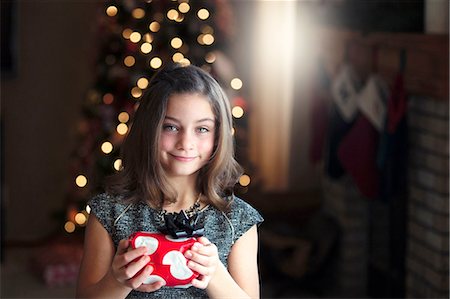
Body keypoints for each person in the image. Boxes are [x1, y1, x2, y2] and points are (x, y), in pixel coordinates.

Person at [76, 63, 264, 299]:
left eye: (202, 129)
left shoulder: (238, 220)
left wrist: (215, 274)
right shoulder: (110, 212)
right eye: (171, 127)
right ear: (149, 129)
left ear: (218, 136)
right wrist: (118, 281)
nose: (186, 143)